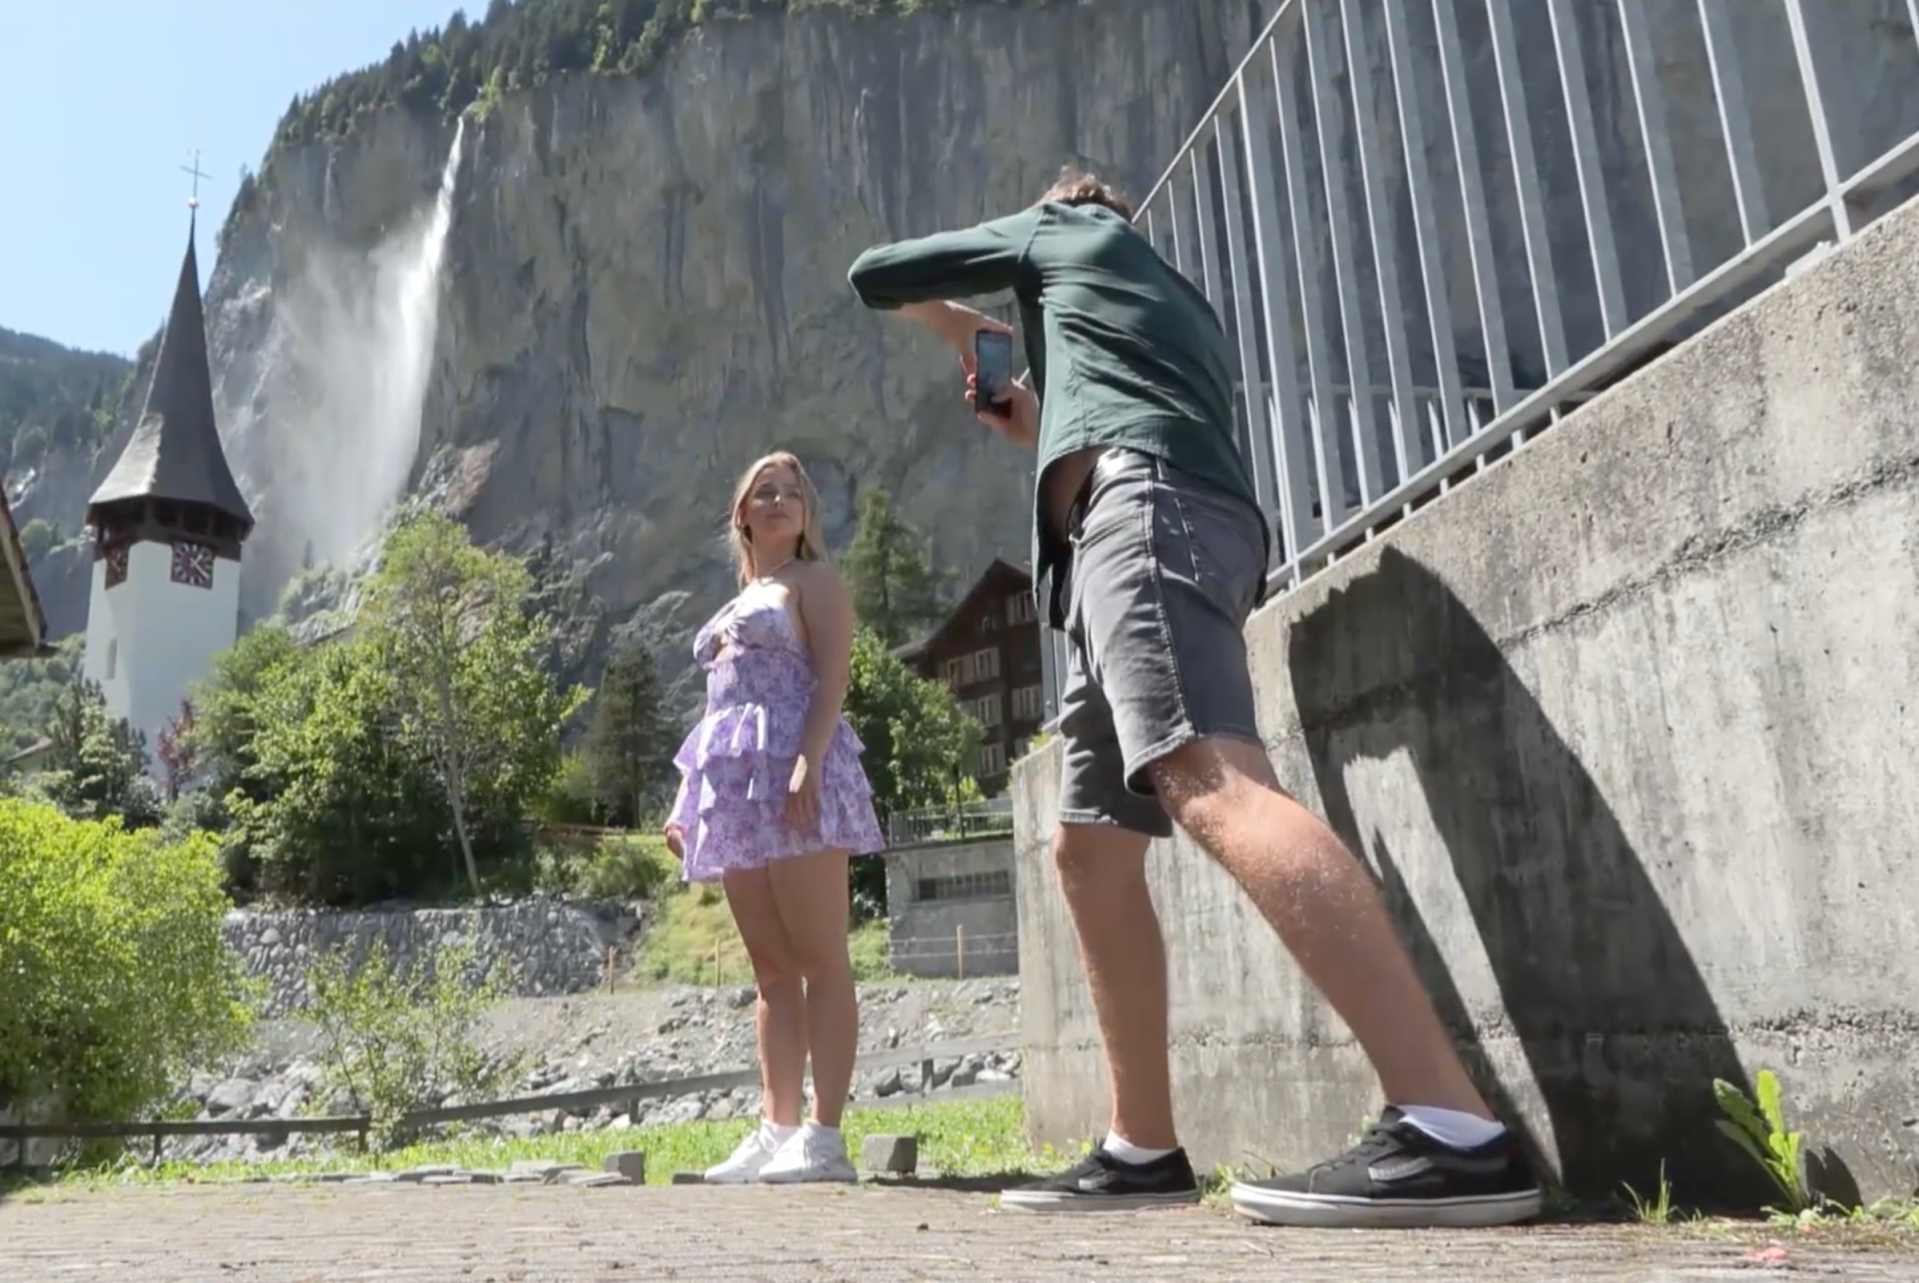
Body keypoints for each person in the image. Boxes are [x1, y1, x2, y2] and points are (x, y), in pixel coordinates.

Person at [845, 170, 1543, 1227]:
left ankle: (1451, 1125)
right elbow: (1125, 416)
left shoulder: (1059, 234)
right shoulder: (1166, 300)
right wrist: (1037, 417)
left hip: (1142, 514)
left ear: (1067, 215)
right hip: (1139, 527)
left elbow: (876, 275)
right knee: (1087, 847)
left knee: (1208, 781)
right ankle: (1140, 1144)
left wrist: (964, 326)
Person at [664, 450, 886, 1185]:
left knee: (821, 955)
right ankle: (775, 1125)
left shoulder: (813, 581)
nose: (781, 499)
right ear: (743, 514)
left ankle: (824, 1138)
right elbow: (714, 706)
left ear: (805, 514)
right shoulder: (741, 597)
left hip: (794, 771)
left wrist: (809, 759)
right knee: (770, 970)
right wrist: (682, 804)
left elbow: (833, 675)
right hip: (734, 784)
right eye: (765, 491)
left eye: (793, 492)